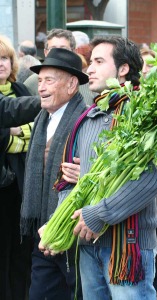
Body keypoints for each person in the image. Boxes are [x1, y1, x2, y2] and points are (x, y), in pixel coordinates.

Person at [40, 36, 157, 300]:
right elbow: (68, 178)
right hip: (88, 246)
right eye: (91, 62)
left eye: (99, 61)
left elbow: (147, 183)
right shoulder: (89, 116)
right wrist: (59, 224)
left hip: (128, 248)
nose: (90, 69)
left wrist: (98, 215)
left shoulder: (144, 115)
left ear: (122, 69)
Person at [20, 47, 88, 300]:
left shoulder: (86, 118)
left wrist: (86, 172)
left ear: (72, 85)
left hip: (72, 231)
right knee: (39, 293)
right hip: (42, 230)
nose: (41, 87)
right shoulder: (42, 118)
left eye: (49, 80)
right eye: (39, 80)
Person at [0, 34, 35, 300]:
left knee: (22, 251)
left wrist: (14, 133)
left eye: (5, 58)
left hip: (22, 184)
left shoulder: (22, 90)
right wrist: (11, 134)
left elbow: (37, 132)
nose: (1, 63)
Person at [23, 28, 76, 96]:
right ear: (45, 52)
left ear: (74, 52)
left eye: (63, 49)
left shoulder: (87, 82)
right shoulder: (31, 83)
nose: (57, 54)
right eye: (53, 49)